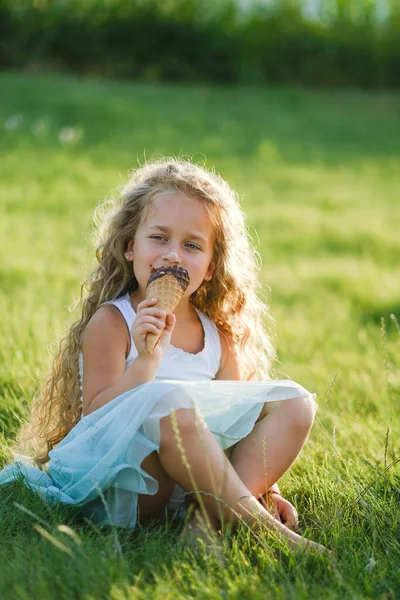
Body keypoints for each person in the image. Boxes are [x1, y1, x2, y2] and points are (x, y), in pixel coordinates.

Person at [0, 158, 327, 553]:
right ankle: (269, 534)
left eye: (191, 245)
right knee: (170, 400)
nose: (173, 255)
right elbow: (96, 418)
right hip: (130, 482)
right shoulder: (113, 322)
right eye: (158, 238)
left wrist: (265, 484)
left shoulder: (218, 337)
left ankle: (205, 519)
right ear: (130, 247)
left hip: (194, 484)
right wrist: (146, 363)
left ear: (209, 268)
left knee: (295, 400)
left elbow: (235, 425)